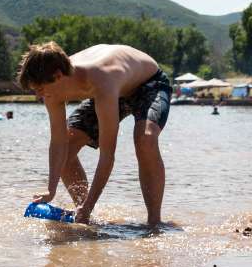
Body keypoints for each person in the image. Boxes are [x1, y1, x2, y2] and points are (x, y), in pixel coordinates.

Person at [16, 41, 169, 225]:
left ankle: (154, 223)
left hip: (148, 83)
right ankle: (83, 212)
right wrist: (51, 190)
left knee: (145, 139)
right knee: (68, 148)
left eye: (40, 89)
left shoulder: (101, 80)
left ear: (58, 76)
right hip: (114, 88)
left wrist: (91, 203)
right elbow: (58, 142)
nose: (39, 96)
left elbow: (107, 155)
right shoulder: (52, 90)